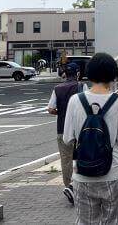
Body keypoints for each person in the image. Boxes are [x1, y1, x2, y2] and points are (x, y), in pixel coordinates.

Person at [63, 53, 118, 225]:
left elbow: (67, 139)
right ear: (112, 74)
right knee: (112, 221)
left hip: (83, 174)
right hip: (113, 173)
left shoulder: (75, 100)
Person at [46, 63, 86, 205]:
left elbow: (50, 109)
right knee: (83, 157)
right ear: (77, 74)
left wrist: (61, 112)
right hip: (80, 130)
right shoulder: (81, 87)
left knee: (66, 159)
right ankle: (79, 186)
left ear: (64, 74)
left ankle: (68, 186)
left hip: (62, 129)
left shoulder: (57, 88)